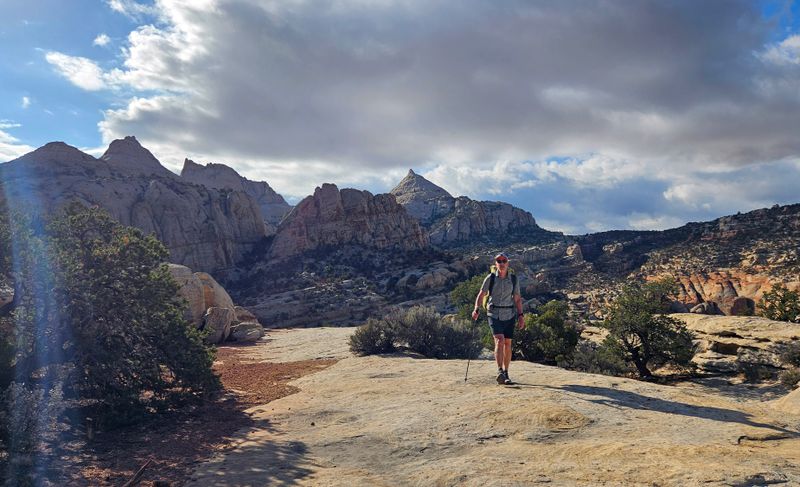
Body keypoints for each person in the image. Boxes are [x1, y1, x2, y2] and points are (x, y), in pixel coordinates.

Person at [472, 252, 524, 385]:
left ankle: (506, 372)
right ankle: (500, 371)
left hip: (510, 315)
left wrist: (520, 316)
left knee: (507, 343)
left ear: (508, 263)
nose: (501, 263)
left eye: (504, 261)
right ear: (496, 264)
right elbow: (481, 294)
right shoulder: (490, 278)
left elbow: (517, 299)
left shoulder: (513, 279)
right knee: (499, 340)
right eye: (499, 261)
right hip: (494, 313)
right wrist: (476, 308)